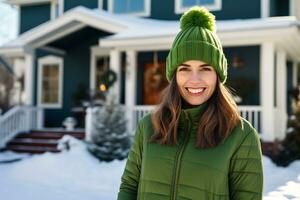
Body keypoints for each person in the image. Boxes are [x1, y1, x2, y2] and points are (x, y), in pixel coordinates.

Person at [117, 6, 263, 200]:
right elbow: (129, 186)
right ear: (174, 75)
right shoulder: (148, 127)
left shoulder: (240, 135)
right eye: (185, 68)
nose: (194, 80)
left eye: (205, 69)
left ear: (218, 76)